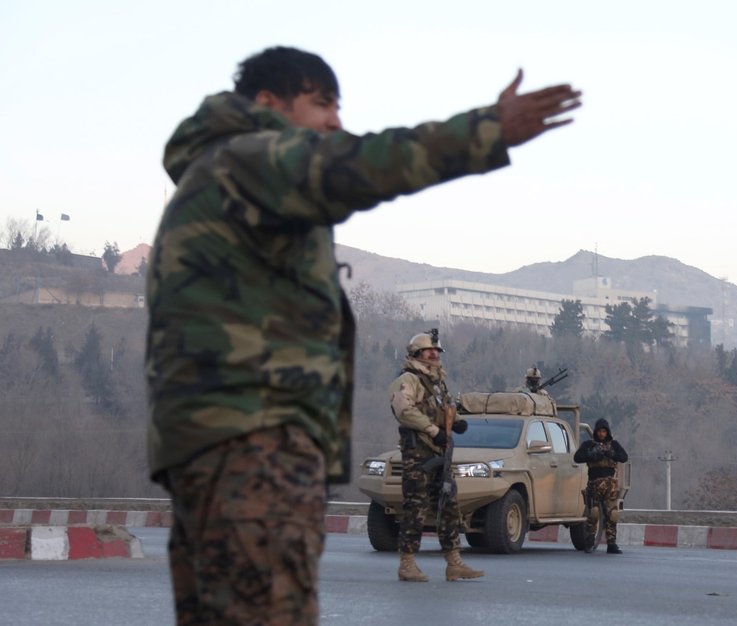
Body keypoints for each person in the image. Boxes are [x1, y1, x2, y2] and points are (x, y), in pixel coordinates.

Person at [145, 46, 580, 622]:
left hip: (218, 445)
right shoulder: (252, 157)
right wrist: (486, 131)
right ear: (269, 104)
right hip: (254, 444)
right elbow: (366, 163)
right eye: (321, 104)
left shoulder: (220, 176)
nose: (334, 122)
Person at [389, 330, 481, 582]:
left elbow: (447, 408)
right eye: (430, 350)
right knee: (415, 507)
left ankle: (454, 563)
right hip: (418, 452)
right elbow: (404, 410)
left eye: (437, 351)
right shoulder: (409, 379)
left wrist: (458, 422)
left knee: (449, 506)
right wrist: (432, 430)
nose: (435, 354)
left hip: (441, 451)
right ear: (417, 354)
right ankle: (407, 564)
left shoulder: (438, 382)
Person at [573, 418, 629, 554]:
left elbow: (624, 457)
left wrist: (612, 454)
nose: (601, 434)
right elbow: (577, 457)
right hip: (594, 483)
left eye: (604, 431)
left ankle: (611, 544)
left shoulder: (613, 444)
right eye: (599, 431)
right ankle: (589, 542)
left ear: (607, 432)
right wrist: (591, 455)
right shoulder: (589, 445)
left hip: (610, 485)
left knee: (612, 514)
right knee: (593, 514)